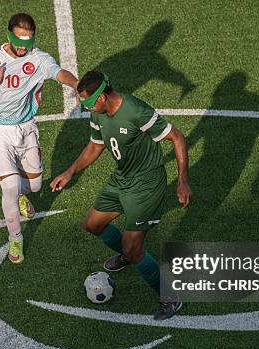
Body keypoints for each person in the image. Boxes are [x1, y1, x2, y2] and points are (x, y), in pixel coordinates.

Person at [50, 71, 192, 320]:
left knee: (133, 246)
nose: (84, 107)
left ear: (103, 96)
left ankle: (169, 296)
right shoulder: (98, 113)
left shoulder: (136, 110)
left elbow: (177, 137)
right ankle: (128, 255)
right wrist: (70, 171)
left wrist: (182, 181)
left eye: (87, 102)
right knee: (92, 224)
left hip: (147, 185)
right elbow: (96, 145)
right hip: (121, 180)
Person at [0, 13, 78, 264]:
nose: (22, 48)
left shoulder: (38, 59)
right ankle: (16, 237)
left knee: (35, 186)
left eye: (27, 42)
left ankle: (21, 196)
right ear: (9, 36)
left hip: (26, 128)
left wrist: (77, 85)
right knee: (10, 187)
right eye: (18, 42)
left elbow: (60, 74)